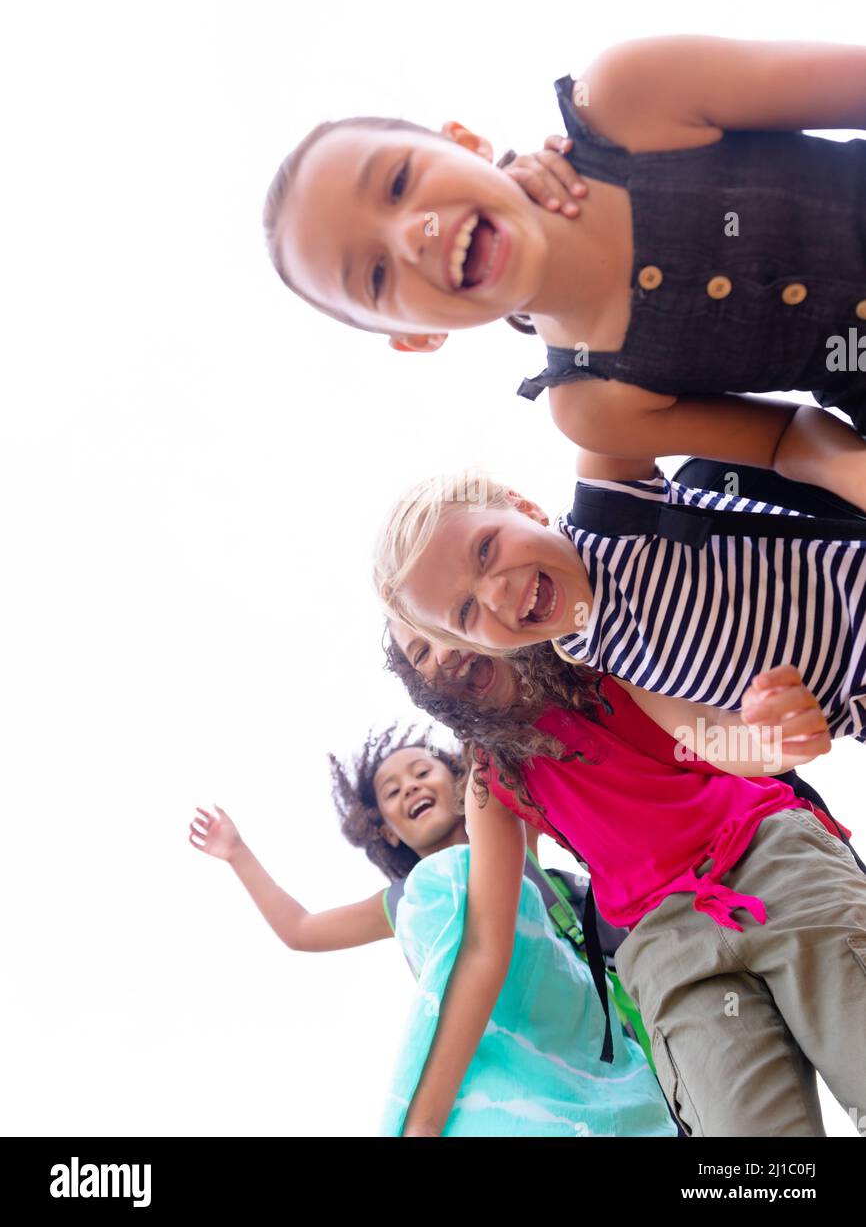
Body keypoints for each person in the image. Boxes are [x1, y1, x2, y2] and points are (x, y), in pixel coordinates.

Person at [263, 35, 866, 511]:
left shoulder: (628, 98)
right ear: (417, 337)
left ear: (466, 142)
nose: (411, 237)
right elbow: (788, 440)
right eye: (373, 275)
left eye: (397, 182)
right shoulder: (591, 407)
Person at [382, 621, 866, 1137]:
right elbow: (482, 949)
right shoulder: (492, 777)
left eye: (438, 626)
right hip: (668, 950)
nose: (442, 655)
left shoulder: (590, 653)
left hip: (765, 858)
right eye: (419, 654)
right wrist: (422, 1124)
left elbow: (712, 734)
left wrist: (778, 737)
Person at [187, 723, 675, 1138]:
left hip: (631, 1009)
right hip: (529, 1054)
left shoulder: (512, 832)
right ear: (388, 832)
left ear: (459, 782)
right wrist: (237, 853)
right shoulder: (409, 899)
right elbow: (301, 928)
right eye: (394, 793)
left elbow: (524, 761)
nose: (411, 787)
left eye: (422, 773)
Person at [373, 453, 866, 744]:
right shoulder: (589, 650)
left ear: (524, 507)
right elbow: (707, 732)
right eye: (465, 612)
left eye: (485, 549)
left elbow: (612, 376)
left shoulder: (612, 510)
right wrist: (773, 742)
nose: (495, 592)